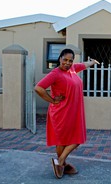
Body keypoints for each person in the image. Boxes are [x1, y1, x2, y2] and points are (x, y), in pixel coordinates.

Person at [34, 48, 99, 179]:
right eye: (65, 60)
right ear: (60, 59)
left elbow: (84, 65)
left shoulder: (73, 69)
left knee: (77, 137)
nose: (67, 63)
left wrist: (92, 62)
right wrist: (52, 100)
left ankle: (60, 162)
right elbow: (38, 88)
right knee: (63, 140)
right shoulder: (55, 73)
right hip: (61, 112)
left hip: (74, 111)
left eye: (70, 60)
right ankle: (62, 162)